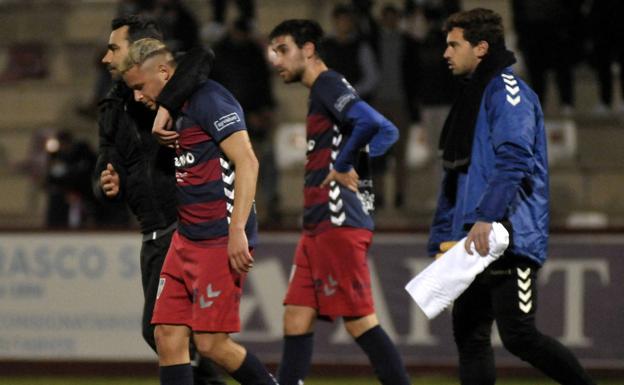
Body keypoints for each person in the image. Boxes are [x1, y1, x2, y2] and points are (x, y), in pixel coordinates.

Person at [428, 8, 595, 385]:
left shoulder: (507, 91)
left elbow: (516, 157)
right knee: (469, 337)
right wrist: (442, 236)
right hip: (472, 237)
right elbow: (458, 175)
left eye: (454, 45)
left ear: (481, 48)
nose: (446, 53)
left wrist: (488, 215)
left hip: (506, 235)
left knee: (519, 335)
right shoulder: (472, 97)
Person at [121, 38, 276, 385]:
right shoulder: (176, 106)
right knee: (167, 336)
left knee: (212, 344)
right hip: (185, 238)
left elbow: (247, 161)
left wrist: (238, 231)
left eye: (139, 86)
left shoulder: (211, 99)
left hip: (218, 239)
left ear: (163, 72)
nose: (136, 96)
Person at [268, 19, 411, 385]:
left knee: (361, 321)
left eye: (283, 50)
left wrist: (345, 165)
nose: (275, 59)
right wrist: (356, 164)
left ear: (309, 49)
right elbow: (388, 130)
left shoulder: (328, 84)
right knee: (296, 317)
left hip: (337, 221)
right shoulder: (328, 88)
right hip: (319, 225)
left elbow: (368, 123)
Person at [93, 15, 225, 385]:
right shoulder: (113, 104)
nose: (106, 58)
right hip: (151, 231)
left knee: (172, 334)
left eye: (114, 47)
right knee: (165, 336)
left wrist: (164, 106)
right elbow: (105, 159)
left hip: (184, 223)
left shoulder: (174, 75)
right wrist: (105, 181)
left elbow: (203, 56)